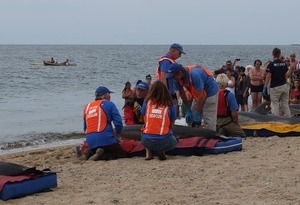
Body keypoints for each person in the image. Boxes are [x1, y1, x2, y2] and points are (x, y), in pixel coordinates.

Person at [166, 63, 219, 131]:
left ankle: (211, 137)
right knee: (191, 117)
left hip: (210, 93)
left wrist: (198, 111)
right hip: (198, 94)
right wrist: (188, 109)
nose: (173, 78)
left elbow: (202, 96)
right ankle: (193, 134)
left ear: (180, 73)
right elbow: (182, 94)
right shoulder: (176, 79)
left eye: (173, 76)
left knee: (208, 119)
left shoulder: (195, 74)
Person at [81, 86, 126, 161]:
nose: (110, 96)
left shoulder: (87, 107)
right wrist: (118, 134)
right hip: (106, 139)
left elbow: (85, 128)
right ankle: (101, 155)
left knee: (99, 147)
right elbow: (118, 122)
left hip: (90, 141)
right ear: (105, 95)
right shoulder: (109, 104)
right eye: (109, 94)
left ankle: (89, 153)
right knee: (121, 154)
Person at [141, 80, 178, 160]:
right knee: (175, 140)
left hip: (147, 141)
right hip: (165, 141)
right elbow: (172, 125)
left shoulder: (147, 102)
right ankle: (162, 150)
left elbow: (145, 120)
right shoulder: (170, 104)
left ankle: (148, 153)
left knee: (144, 129)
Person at [156, 43, 185, 116]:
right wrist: (166, 93)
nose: (180, 56)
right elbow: (163, 77)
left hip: (169, 89)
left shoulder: (169, 60)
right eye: (179, 53)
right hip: (166, 90)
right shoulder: (166, 61)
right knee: (168, 111)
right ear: (174, 51)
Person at [264, 47, 295, 117]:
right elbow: (287, 76)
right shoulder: (283, 64)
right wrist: (291, 70)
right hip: (284, 86)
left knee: (275, 104)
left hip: (275, 87)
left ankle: (276, 121)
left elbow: (268, 76)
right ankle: (289, 119)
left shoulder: (271, 64)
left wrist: (265, 87)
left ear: (273, 54)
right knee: (285, 104)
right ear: (279, 54)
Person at [216, 74, 247, 138]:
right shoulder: (229, 95)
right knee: (242, 135)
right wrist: (236, 123)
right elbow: (234, 113)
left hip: (214, 120)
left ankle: (221, 131)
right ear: (226, 84)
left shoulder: (212, 94)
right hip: (226, 121)